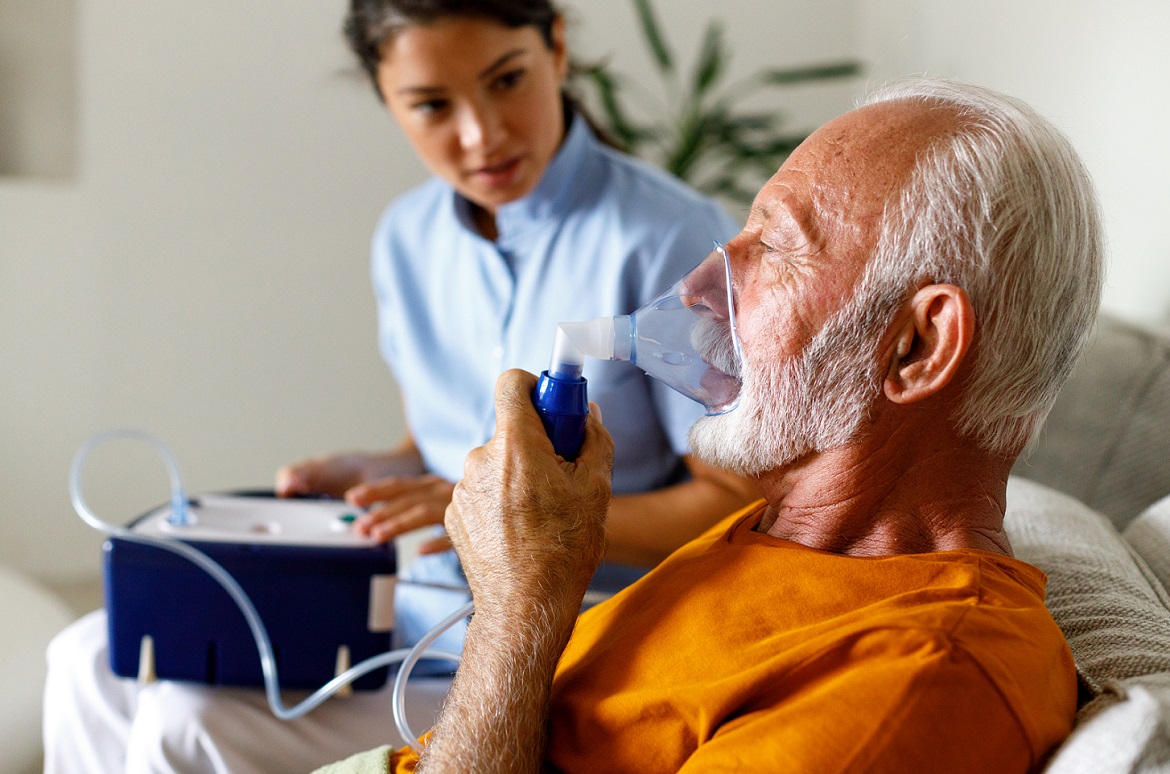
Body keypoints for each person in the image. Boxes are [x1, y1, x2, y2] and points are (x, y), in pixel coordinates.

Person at [41, 1, 758, 771]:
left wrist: (519, 522)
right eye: (431, 105)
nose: (482, 134)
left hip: (571, 630)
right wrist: (379, 472)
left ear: (554, 48)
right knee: (87, 656)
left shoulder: (671, 239)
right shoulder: (407, 240)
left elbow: (736, 501)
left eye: (506, 80)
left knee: (189, 720)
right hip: (425, 599)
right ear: (386, 101)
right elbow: (439, 444)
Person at [321, 77, 1105, 773]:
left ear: (915, 347)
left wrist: (519, 601)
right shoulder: (779, 534)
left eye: (776, 247)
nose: (698, 286)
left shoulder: (921, 674)